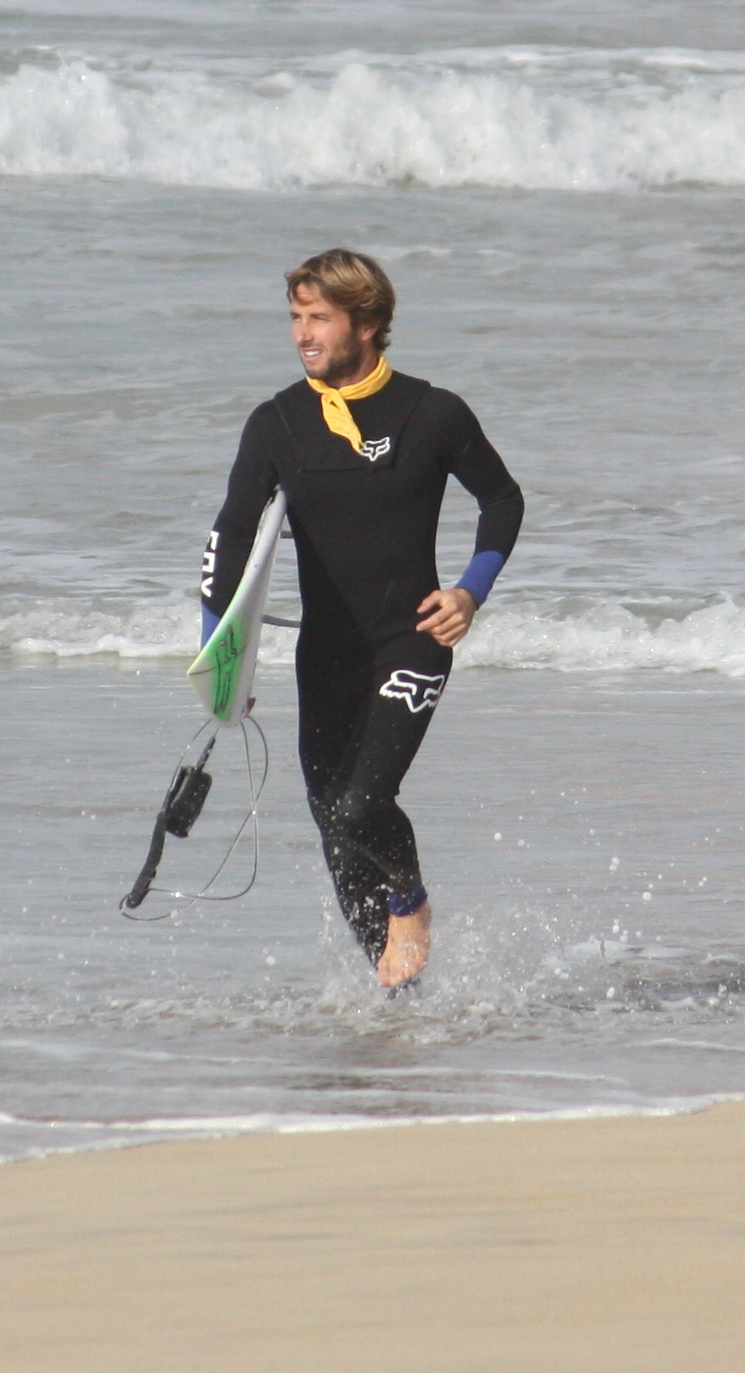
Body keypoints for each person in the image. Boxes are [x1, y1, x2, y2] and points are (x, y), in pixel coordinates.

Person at [199, 249, 524, 990]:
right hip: (329, 652)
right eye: (295, 318)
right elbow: (231, 538)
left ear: (369, 323)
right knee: (335, 826)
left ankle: (411, 904)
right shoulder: (278, 422)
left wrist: (470, 591)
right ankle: (396, 999)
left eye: (319, 318)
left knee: (363, 800)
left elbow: (502, 499)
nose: (302, 334)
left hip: (412, 637)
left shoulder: (432, 413)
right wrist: (222, 659)